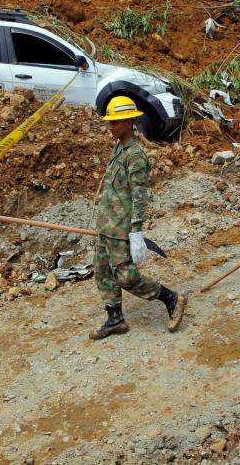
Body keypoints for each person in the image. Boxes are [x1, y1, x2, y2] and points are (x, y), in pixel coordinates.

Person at [90, 96, 186, 340]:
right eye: (109, 123)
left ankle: (171, 298)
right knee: (102, 271)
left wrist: (136, 232)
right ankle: (115, 319)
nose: (110, 127)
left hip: (121, 228)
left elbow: (138, 196)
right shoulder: (118, 148)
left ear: (128, 122)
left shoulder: (135, 156)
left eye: (114, 123)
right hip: (107, 226)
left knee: (125, 276)